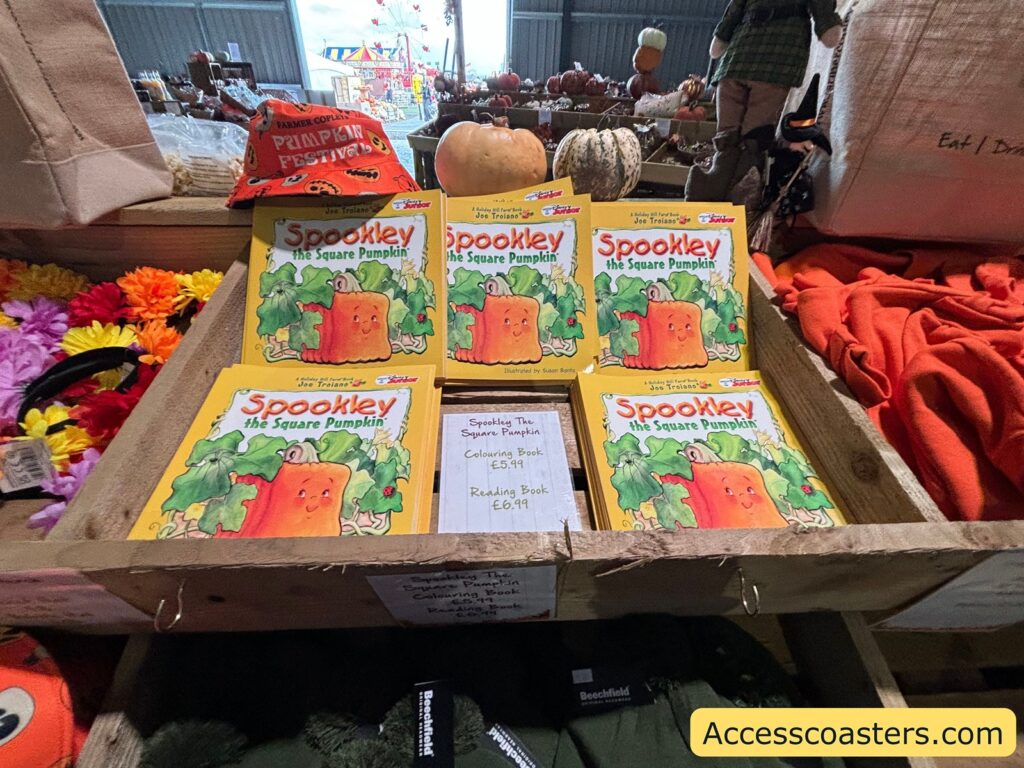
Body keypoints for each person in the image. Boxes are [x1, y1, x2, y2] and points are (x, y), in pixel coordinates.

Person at [686, 0, 841, 202]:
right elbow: (735, 10)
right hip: (748, 59)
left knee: (751, 134)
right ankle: (724, 186)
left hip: (766, 60)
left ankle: (738, 189)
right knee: (735, 132)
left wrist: (826, 24)